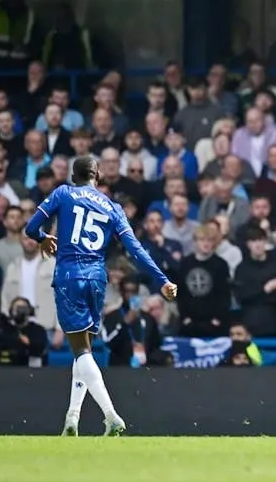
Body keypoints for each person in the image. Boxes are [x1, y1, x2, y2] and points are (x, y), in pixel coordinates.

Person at [24, 156, 178, 437]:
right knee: (85, 351)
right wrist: (162, 280)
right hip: (97, 279)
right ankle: (72, 418)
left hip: (69, 275)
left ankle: (111, 415)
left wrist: (44, 238)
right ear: (98, 175)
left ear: (74, 174)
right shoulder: (113, 207)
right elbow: (135, 250)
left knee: (80, 351)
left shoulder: (63, 193)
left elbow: (31, 228)